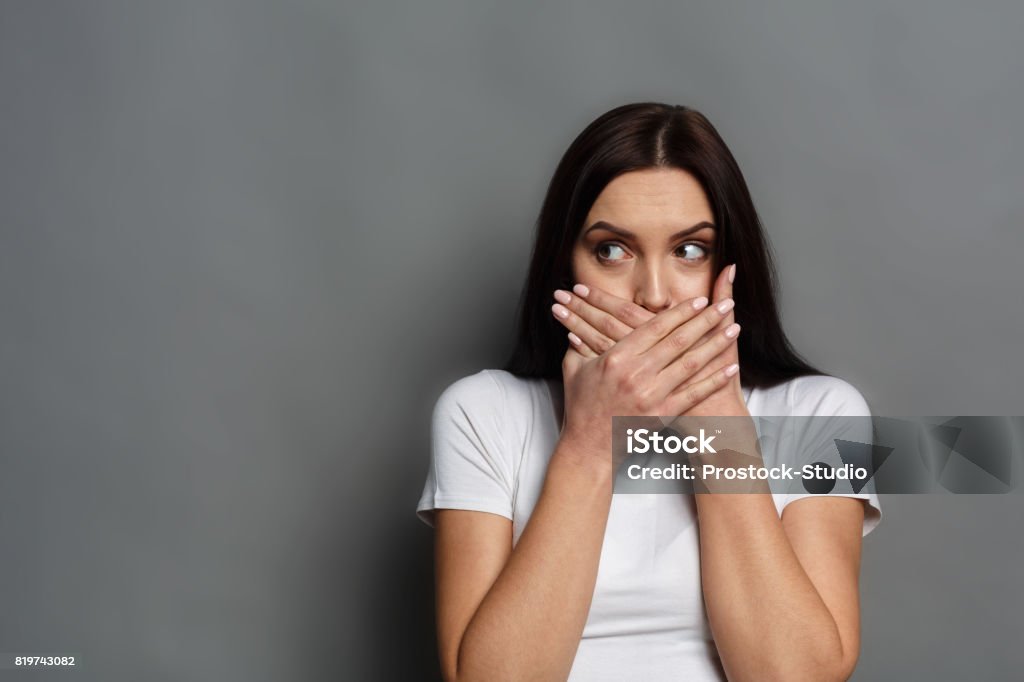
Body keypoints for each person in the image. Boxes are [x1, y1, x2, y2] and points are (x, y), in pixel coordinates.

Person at [416, 102, 882, 681]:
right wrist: (589, 444)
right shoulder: (482, 413)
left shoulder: (825, 415)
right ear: (566, 266)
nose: (654, 295)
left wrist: (717, 423)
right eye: (612, 249)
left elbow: (796, 676)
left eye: (690, 250)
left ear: (729, 265)